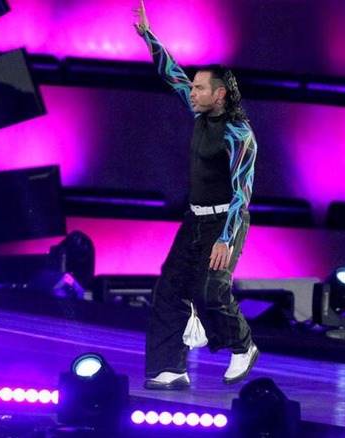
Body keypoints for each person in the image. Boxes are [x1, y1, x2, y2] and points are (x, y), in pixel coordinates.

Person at [133, 0, 259, 389]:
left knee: (210, 290)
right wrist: (149, 38)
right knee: (169, 290)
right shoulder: (198, 115)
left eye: (200, 87)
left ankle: (243, 345)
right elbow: (171, 75)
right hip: (194, 218)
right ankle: (169, 367)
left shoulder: (239, 134)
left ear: (219, 95)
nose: (192, 90)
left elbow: (242, 192)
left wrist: (225, 237)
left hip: (226, 220)